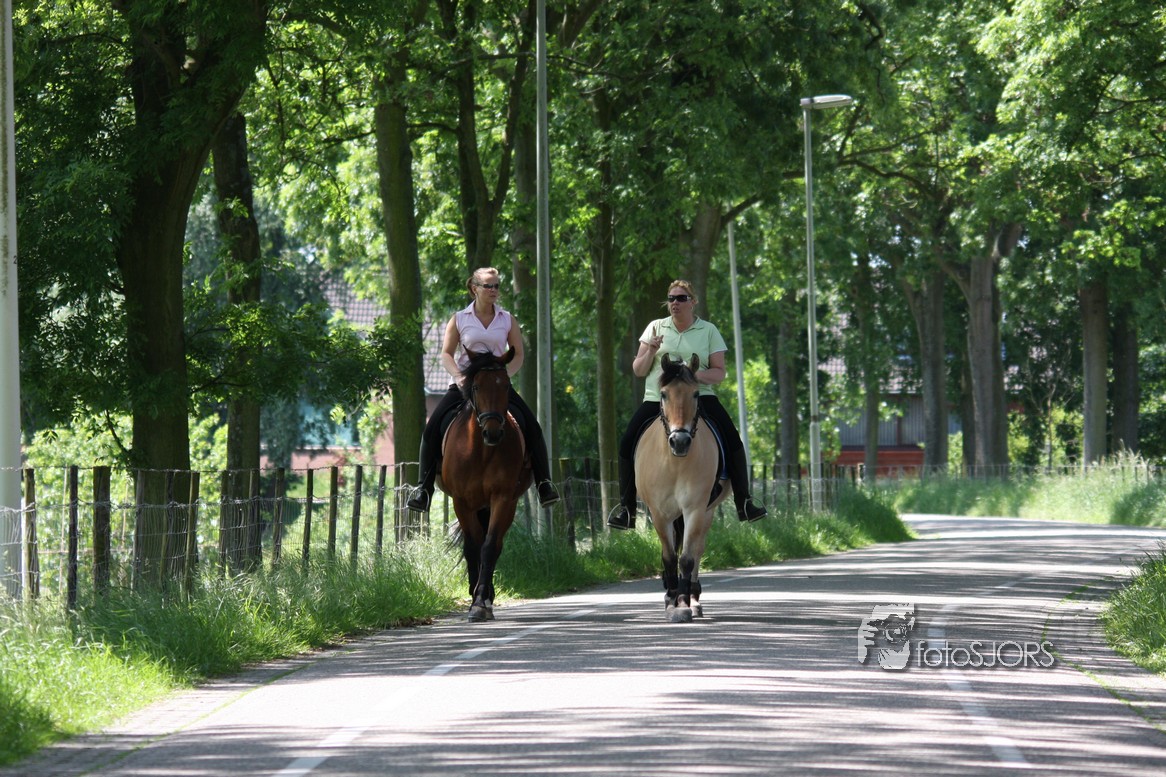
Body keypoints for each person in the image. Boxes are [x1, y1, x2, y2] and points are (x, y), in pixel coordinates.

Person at [607, 279, 766, 529]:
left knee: (733, 439)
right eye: (671, 299)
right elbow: (638, 370)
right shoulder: (655, 327)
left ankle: (744, 501)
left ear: (693, 302)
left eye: (681, 298)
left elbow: (719, 372)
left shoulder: (709, 331)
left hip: (699, 397)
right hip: (659, 399)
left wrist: (692, 377)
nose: (675, 303)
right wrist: (651, 351)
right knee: (627, 442)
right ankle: (627, 509)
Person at [406, 267, 560, 513]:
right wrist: (459, 377)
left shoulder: (508, 319)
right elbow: (446, 354)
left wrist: (505, 377)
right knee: (432, 428)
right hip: (465, 385)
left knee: (532, 425)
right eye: (488, 286)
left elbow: (518, 354)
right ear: (474, 288)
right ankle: (423, 489)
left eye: (497, 286)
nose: (494, 290)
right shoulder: (459, 319)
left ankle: (544, 483)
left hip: (497, 386)